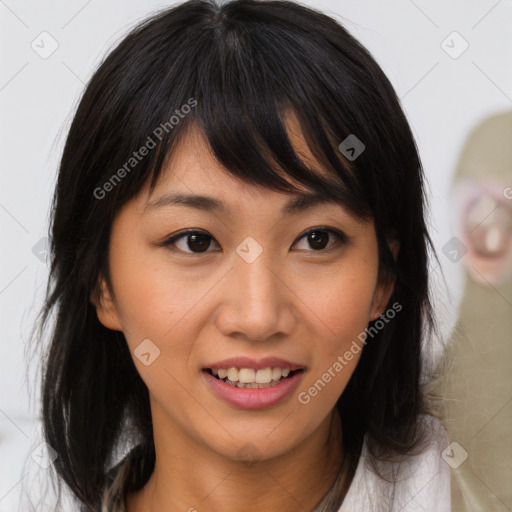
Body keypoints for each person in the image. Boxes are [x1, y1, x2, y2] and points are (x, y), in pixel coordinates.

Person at [29, 0, 450, 510]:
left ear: (384, 278)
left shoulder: (476, 490)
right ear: (101, 281)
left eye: (316, 239)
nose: (257, 317)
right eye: (195, 241)